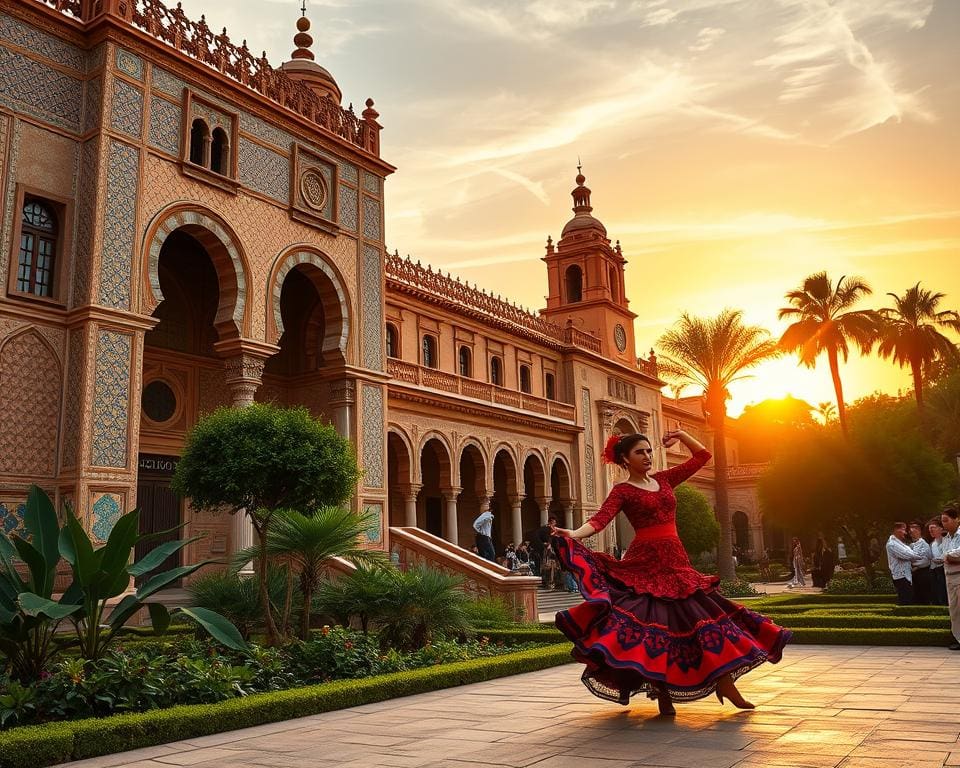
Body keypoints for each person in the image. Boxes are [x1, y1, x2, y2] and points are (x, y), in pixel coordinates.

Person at [551, 430, 790, 715]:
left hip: (676, 561)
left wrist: (682, 434)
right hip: (647, 565)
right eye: (640, 452)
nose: (648, 456)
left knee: (704, 621)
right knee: (656, 630)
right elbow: (600, 520)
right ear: (625, 459)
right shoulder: (622, 491)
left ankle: (725, 683)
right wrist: (574, 534)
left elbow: (703, 457)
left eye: (649, 451)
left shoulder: (664, 479)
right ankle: (662, 692)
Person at [886, 522, 924, 606]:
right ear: (896, 530)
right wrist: (920, 556)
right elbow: (908, 555)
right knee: (906, 601)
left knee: (909, 598)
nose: (906, 533)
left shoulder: (900, 543)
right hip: (901, 576)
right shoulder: (892, 544)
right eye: (903, 530)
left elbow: (910, 552)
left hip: (906, 575)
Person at [940, 504, 960, 650]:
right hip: (949, 576)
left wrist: (948, 556)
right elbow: (945, 555)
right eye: (942, 521)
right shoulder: (946, 538)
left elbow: (954, 554)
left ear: (956, 519)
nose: (944, 523)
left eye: (946, 520)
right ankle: (959, 639)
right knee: (954, 610)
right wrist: (948, 556)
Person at [908, 521, 933, 605]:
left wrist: (915, 566)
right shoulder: (911, 545)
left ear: (918, 531)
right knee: (916, 596)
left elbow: (927, 560)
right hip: (914, 574)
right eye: (910, 532)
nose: (911, 534)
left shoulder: (924, 544)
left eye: (913, 532)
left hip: (923, 573)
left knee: (924, 596)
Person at [928, 518, 948, 606]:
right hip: (935, 571)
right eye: (930, 529)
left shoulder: (947, 541)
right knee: (937, 591)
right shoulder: (932, 544)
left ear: (941, 528)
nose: (931, 530)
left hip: (945, 569)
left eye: (933, 527)